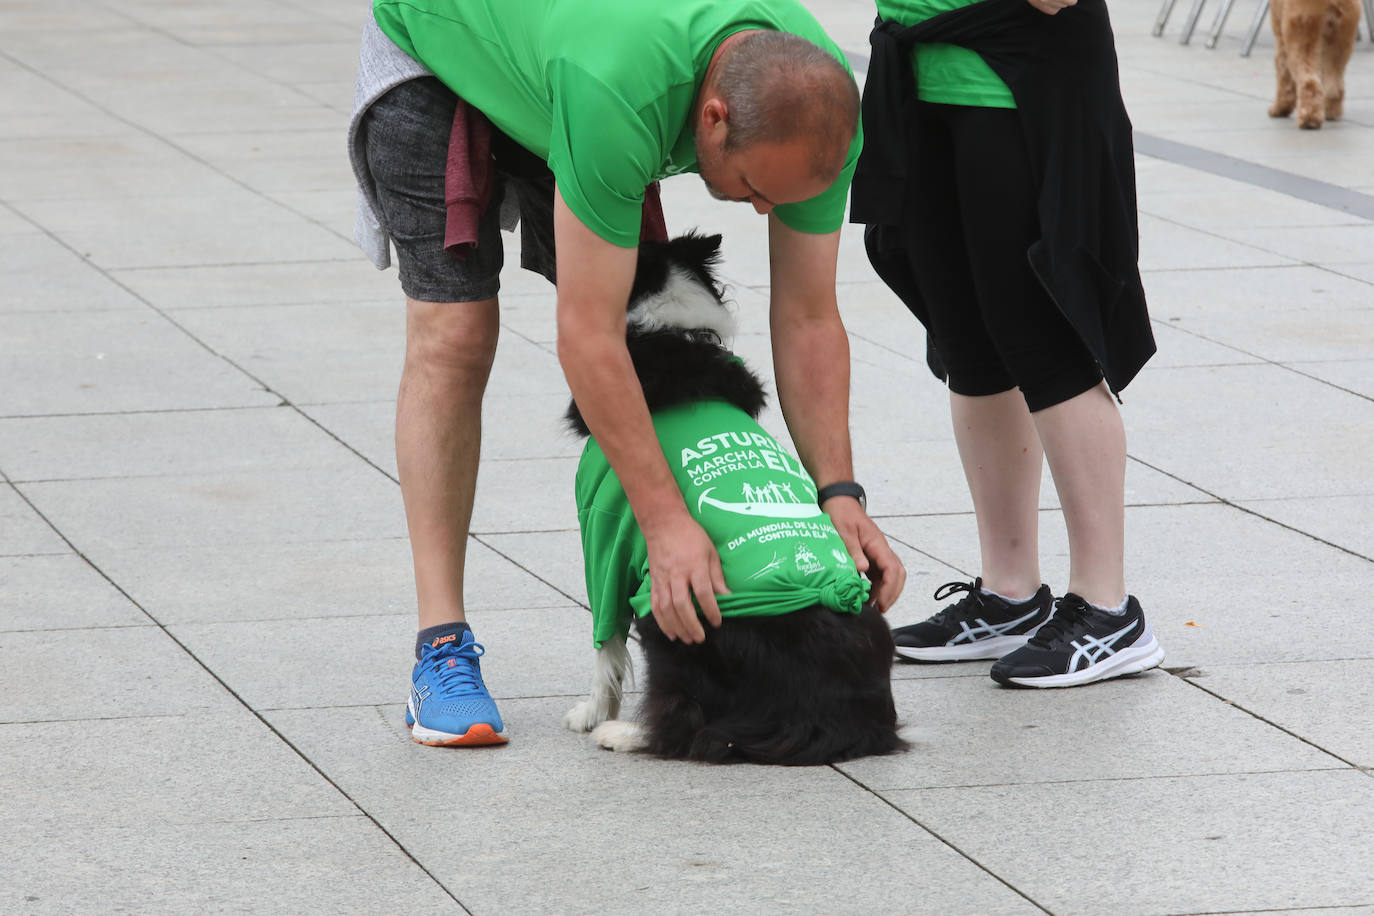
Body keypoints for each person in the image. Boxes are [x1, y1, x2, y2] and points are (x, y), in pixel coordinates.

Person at [347, 0, 907, 746]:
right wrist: (665, 521)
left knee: (649, 317)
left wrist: (839, 494)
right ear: (710, 120)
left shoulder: (816, 105)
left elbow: (807, 317)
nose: (766, 208)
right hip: (443, 44)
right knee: (455, 335)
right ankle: (441, 649)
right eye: (752, 188)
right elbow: (589, 337)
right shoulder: (618, 91)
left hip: (573, 67)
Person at [851, 0, 1165, 687]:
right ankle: (1009, 594)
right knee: (971, 347)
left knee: (1046, 341)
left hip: (1019, 81)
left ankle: (1108, 608)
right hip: (923, 73)